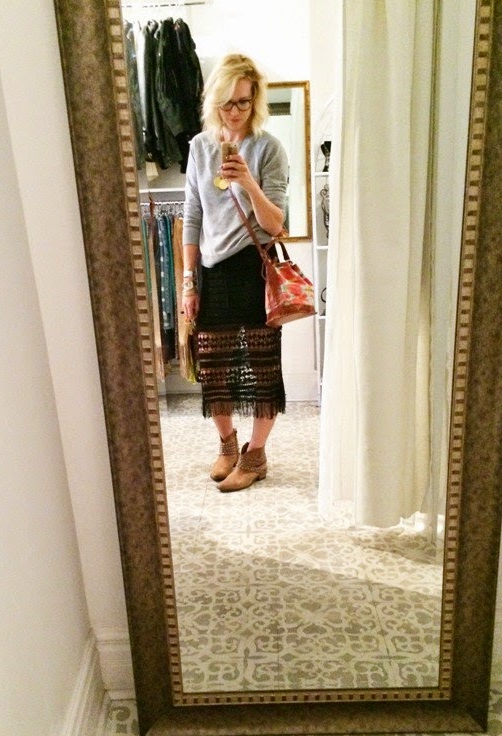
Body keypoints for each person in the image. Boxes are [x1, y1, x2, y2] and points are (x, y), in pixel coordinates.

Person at [182, 53, 289, 493]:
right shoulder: (199, 147)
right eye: (227, 102)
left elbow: (275, 224)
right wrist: (188, 282)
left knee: (262, 370)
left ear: (255, 100)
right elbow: (191, 216)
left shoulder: (269, 148)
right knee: (213, 368)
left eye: (243, 102)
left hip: (253, 269)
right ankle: (228, 446)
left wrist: (247, 181)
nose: (235, 111)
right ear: (214, 102)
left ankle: (256, 455)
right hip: (211, 270)